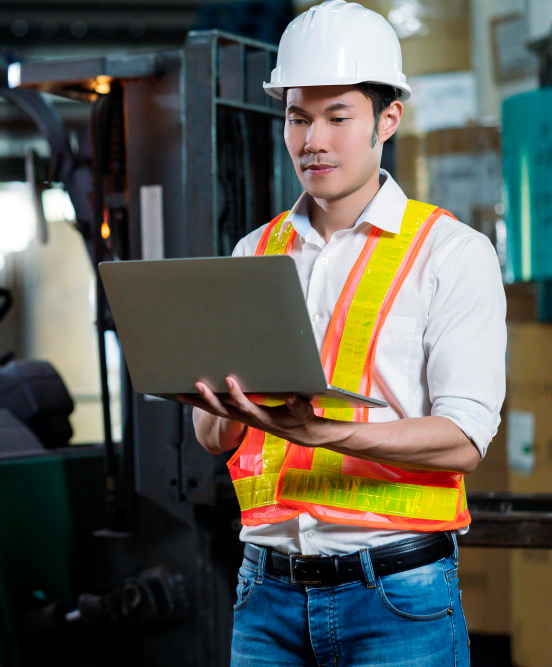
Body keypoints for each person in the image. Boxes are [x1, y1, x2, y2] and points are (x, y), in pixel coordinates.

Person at [179, 2, 505, 664]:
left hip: (395, 596)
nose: (312, 140)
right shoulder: (253, 251)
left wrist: (327, 433)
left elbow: (465, 436)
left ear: (388, 119)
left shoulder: (450, 252)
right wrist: (213, 406)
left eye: (337, 117)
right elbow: (216, 439)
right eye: (298, 117)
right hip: (264, 591)